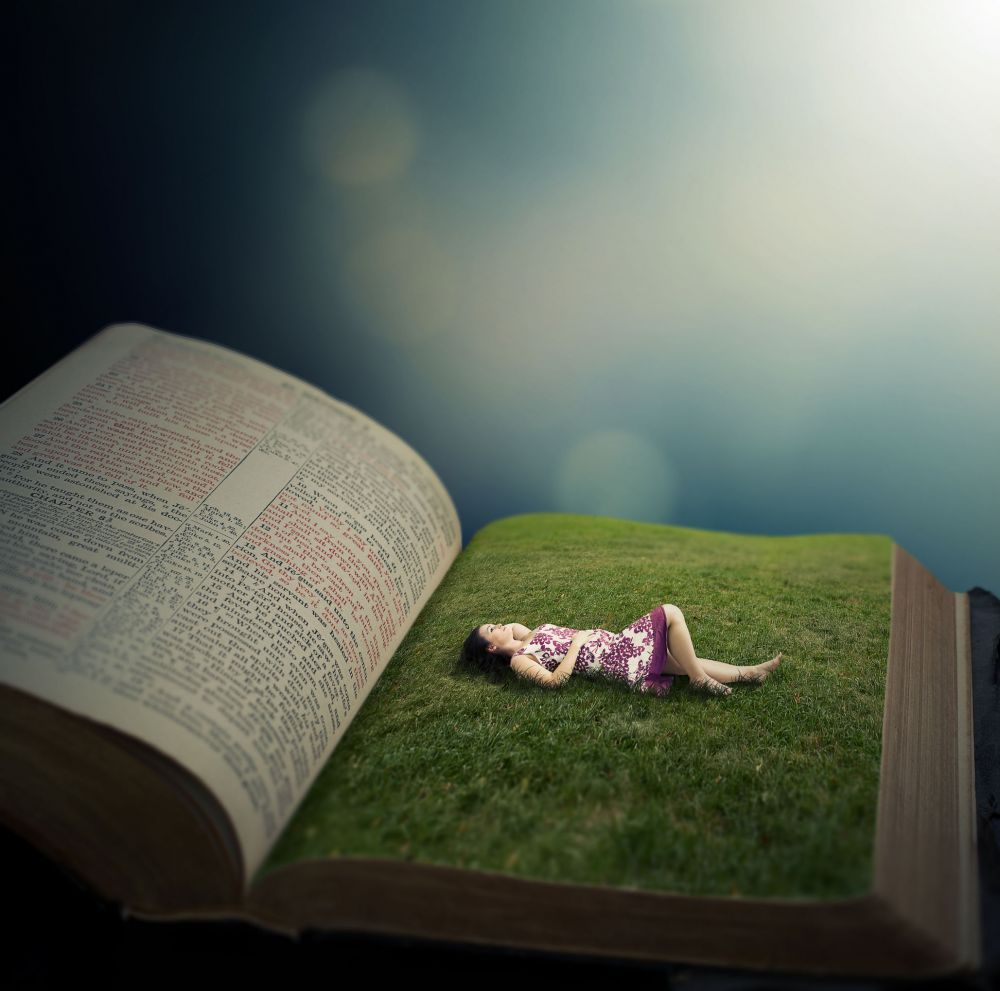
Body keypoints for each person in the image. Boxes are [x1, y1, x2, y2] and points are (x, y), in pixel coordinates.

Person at [460, 604, 782, 697]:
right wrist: (575, 644)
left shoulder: (523, 636)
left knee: (684, 662)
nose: (500, 625)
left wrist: (508, 633)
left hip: (614, 645)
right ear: (490, 647)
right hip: (616, 660)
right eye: (492, 629)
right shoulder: (520, 661)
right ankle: (700, 680)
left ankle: (749, 673)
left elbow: (517, 630)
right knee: (670, 612)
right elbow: (554, 681)